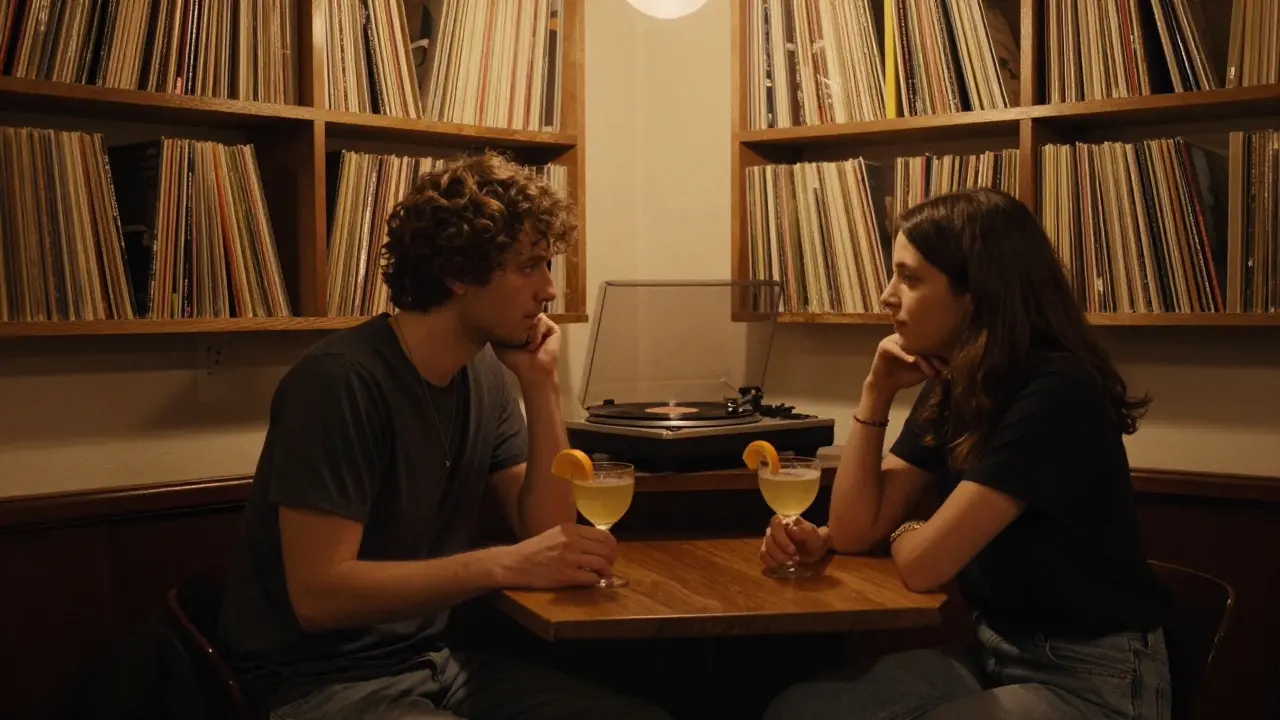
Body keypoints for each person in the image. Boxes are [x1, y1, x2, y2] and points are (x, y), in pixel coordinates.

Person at [218, 151, 669, 720]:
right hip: (317, 682)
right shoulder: (339, 382)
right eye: (530, 266)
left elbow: (548, 534)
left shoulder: (485, 374)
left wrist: (541, 384)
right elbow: (319, 596)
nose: (550, 290)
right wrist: (501, 565)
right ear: (459, 273)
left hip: (436, 663)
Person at [760, 188, 1174, 719]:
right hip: (997, 652)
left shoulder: (1057, 390)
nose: (887, 296)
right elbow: (854, 528)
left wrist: (908, 530)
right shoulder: (957, 379)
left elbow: (925, 565)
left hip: (1096, 679)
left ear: (975, 293)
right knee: (801, 710)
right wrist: (876, 391)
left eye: (909, 278)